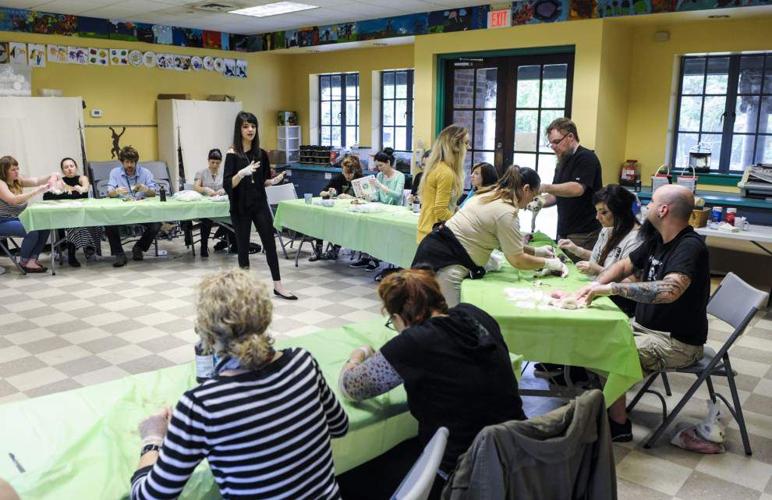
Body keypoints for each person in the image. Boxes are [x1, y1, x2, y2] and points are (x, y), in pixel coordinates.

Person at [130, 269, 349, 499]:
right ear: (265, 316)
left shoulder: (202, 406)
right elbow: (340, 426)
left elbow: (149, 497)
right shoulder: (303, 362)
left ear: (207, 334)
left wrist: (152, 440)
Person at [337, 269, 525, 498]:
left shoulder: (414, 343)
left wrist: (358, 355)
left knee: (348, 476)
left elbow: (350, 386)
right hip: (516, 447)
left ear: (397, 317)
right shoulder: (475, 315)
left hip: (461, 469)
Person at [575, 184, 710, 442]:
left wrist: (612, 289)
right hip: (647, 328)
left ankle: (617, 424)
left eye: (651, 203)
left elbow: (670, 290)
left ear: (663, 209)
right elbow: (624, 265)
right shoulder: (657, 239)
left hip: (677, 342)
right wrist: (596, 285)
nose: (646, 206)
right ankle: (608, 410)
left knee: (612, 352)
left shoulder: (690, 247)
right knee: (594, 340)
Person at [413, 166, 566, 307]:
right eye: (534, 195)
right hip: (445, 262)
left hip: (437, 250)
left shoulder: (491, 194)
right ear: (526, 189)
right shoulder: (506, 212)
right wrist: (552, 264)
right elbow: (517, 260)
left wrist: (537, 252)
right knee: (446, 323)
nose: (531, 202)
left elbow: (504, 242)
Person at [223, 111, 296, 300]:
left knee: (270, 244)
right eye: (246, 126)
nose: (250, 130)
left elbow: (263, 181)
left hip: (259, 204)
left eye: (253, 126)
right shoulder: (232, 154)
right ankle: (244, 290)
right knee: (243, 246)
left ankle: (278, 286)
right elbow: (227, 184)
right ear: (239, 129)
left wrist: (275, 180)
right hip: (240, 207)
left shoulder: (261, 153)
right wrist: (241, 173)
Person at [559, 184, 641, 316]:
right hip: (597, 288)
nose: (597, 217)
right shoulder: (608, 229)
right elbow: (607, 258)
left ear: (620, 211)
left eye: (603, 212)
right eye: (597, 211)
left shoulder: (636, 240)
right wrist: (578, 250)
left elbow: (630, 283)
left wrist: (596, 269)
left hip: (618, 303)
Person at [538, 118, 603, 254]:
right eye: (551, 143)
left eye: (556, 142)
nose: (553, 147)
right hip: (564, 229)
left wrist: (544, 187)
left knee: (579, 271)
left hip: (584, 232)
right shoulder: (562, 160)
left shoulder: (586, 158)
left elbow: (577, 189)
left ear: (570, 137)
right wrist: (537, 202)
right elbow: (556, 195)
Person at [104, 146, 161, 268]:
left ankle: (139, 248)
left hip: (141, 211)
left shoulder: (145, 173)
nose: (129, 165)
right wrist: (116, 191)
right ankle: (119, 254)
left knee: (157, 223)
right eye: (126, 162)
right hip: (121, 212)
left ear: (136, 162)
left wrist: (146, 189)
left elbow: (153, 193)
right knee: (108, 223)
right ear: (122, 162)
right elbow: (109, 193)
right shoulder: (115, 173)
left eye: (132, 162)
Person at [350, 149, 405, 272]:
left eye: (381, 165)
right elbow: (378, 196)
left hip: (394, 212)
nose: (379, 168)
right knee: (366, 227)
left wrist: (381, 186)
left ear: (388, 162)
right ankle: (368, 257)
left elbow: (397, 196)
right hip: (380, 209)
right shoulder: (379, 175)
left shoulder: (399, 176)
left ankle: (378, 259)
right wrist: (368, 196)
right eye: (377, 166)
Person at [0, 155, 54, 273]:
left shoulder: (17, 180)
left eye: (17, 168)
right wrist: (37, 191)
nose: (16, 172)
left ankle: (32, 260)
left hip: (16, 219)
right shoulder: (1, 184)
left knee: (44, 226)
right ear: (4, 171)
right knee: (32, 230)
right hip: (2, 221)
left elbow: (37, 180)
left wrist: (52, 175)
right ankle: (24, 262)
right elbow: (13, 200)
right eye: (13, 170)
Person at [44, 157, 101, 267]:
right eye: (66, 167)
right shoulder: (60, 181)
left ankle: (86, 250)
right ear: (62, 170)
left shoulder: (82, 178)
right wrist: (71, 192)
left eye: (71, 166)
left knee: (86, 222)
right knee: (72, 223)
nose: (69, 169)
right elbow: (47, 196)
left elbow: (84, 190)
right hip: (66, 213)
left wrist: (70, 192)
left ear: (76, 167)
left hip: (81, 212)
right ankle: (71, 253)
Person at [416, 125, 468, 242]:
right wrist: (461, 221)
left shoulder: (439, 168)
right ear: (455, 147)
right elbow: (440, 210)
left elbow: (445, 205)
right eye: (466, 143)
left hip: (429, 232)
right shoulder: (445, 172)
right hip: (434, 234)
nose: (468, 147)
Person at [310, 155, 363, 262]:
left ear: (355, 171)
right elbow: (321, 193)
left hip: (353, 213)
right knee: (321, 221)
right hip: (337, 211)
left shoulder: (360, 180)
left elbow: (365, 199)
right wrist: (329, 192)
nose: (347, 176)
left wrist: (351, 197)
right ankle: (318, 250)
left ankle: (335, 250)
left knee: (343, 226)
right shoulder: (338, 178)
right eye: (345, 173)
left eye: (349, 174)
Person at [193, 148, 235, 257]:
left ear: (220, 162)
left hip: (220, 205)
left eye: (217, 163)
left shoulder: (225, 173)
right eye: (212, 162)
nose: (215, 165)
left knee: (232, 217)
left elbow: (230, 185)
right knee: (207, 220)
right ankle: (203, 246)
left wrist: (224, 190)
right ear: (208, 161)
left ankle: (227, 242)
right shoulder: (201, 173)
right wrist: (205, 189)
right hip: (205, 206)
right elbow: (196, 187)